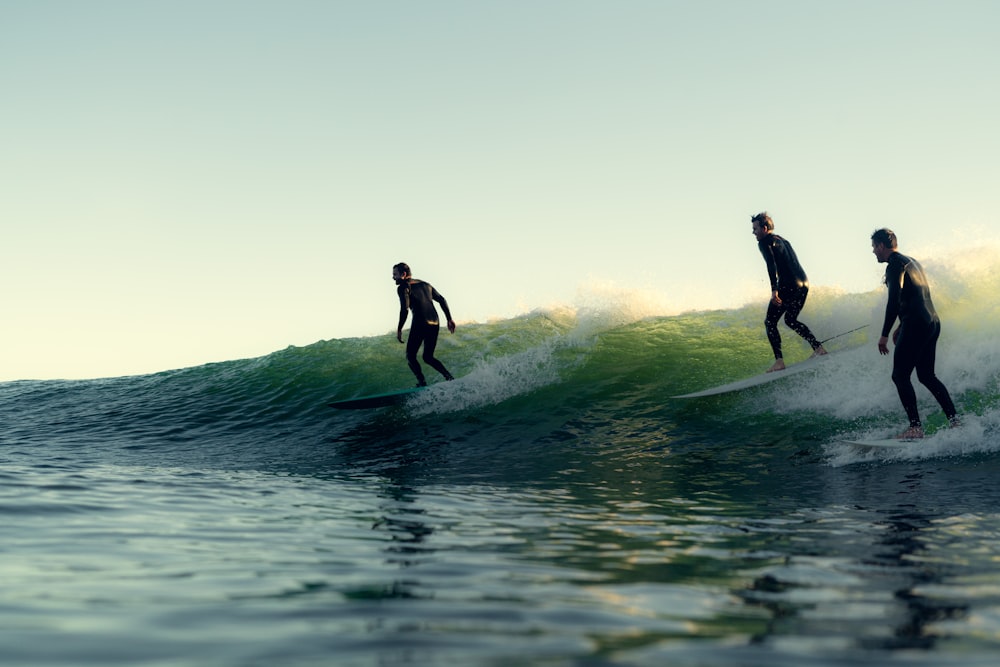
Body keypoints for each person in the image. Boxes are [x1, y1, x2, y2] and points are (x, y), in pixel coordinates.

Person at [871, 228, 958, 439]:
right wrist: (901, 325)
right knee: (927, 376)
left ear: (882, 246)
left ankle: (915, 427)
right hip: (932, 322)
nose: (873, 252)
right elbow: (916, 295)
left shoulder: (893, 266)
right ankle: (955, 422)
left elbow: (894, 300)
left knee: (899, 375)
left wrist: (884, 334)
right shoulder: (911, 261)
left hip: (916, 324)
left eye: (874, 247)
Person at [751, 212, 827, 372]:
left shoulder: (765, 242)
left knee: (770, 322)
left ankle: (779, 361)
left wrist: (774, 290)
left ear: (764, 228)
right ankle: (818, 348)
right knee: (790, 320)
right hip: (804, 283)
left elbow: (771, 265)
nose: (754, 233)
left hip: (788, 284)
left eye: (755, 229)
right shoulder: (783, 240)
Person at [393, 262, 456, 387]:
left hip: (420, 322)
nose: (393, 277)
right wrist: (449, 319)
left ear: (403, 274)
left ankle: (422, 382)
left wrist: (399, 328)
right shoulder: (425, 284)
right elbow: (442, 299)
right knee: (428, 357)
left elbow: (404, 309)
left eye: (395, 274)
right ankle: (449, 378)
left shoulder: (403, 287)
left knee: (410, 356)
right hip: (435, 322)